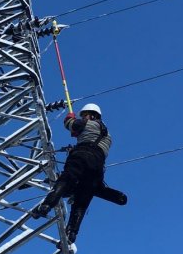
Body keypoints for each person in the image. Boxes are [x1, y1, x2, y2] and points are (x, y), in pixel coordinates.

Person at [32, 103, 127, 243]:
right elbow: (88, 138)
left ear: (92, 115)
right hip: (97, 166)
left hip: (82, 155)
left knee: (67, 179)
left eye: (84, 115)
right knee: (82, 199)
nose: (83, 117)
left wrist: (70, 118)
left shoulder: (89, 124)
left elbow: (71, 125)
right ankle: (71, 232)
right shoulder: (107, 136)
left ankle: (47, 205)